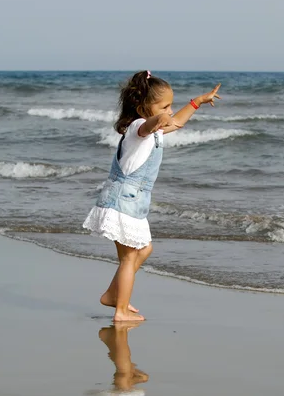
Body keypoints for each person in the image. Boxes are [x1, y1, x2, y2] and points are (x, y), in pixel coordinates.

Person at [83, 71, 221, 321]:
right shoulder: (139, 127)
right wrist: (157, 119)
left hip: (133, 203)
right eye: (164, 106)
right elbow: (148, 125)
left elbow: (176, 122)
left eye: (170, 105)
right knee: (129, 258)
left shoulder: (156, 129)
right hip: (122, 201)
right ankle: (121, 310)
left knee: (144, 250)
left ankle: (113, 295)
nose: (169, 110)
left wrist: (196, 102)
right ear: (143, 107)